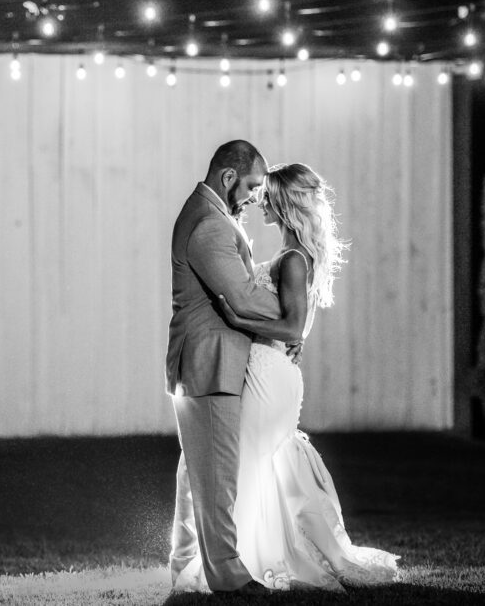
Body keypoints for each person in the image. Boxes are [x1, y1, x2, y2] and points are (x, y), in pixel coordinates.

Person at [195, 162, 401, 592]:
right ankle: (244, 555)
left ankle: (247, 560)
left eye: (266, 195)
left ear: (284, 203)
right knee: (255, 463)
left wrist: (237, 316)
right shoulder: (296, 256)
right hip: (276, 371)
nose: (259, 201)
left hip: (271, 372)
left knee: (247, 463)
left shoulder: (291, 260)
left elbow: (291, 327)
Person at [165, 140, 302, 595]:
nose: (253, 197)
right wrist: (291, 315)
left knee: (197, 473)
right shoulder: (209, 226)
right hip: (210, 365)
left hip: (206, 365)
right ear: (228, 178)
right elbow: (241, 297)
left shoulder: (211, 217)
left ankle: (185, 565)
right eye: (250, 187)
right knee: (218, 475)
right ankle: (229, 578)